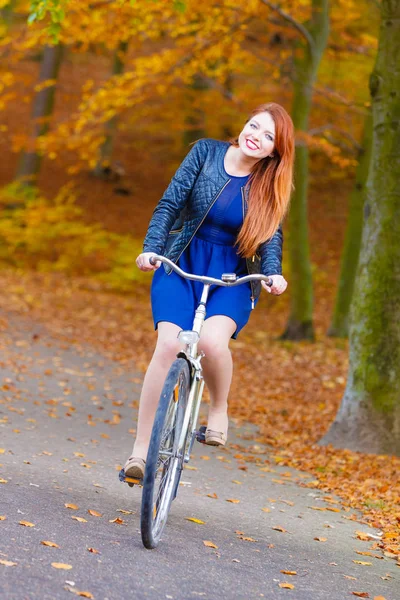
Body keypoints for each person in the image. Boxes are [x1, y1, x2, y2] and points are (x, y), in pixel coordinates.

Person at [124, 102, 295, 479]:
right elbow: (171, 202)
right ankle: (140, 451)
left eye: (269, 136)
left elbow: (270, 237)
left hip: (232, 276)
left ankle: (219, 409)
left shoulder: (269, 184)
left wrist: (273, 274)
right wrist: (151, 247)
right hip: (182, 259)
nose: (256, 136)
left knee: (212, 344)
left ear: (275, 151)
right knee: (169, 346)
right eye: (254, 126)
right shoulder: (205, 152)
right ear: (243, 126)